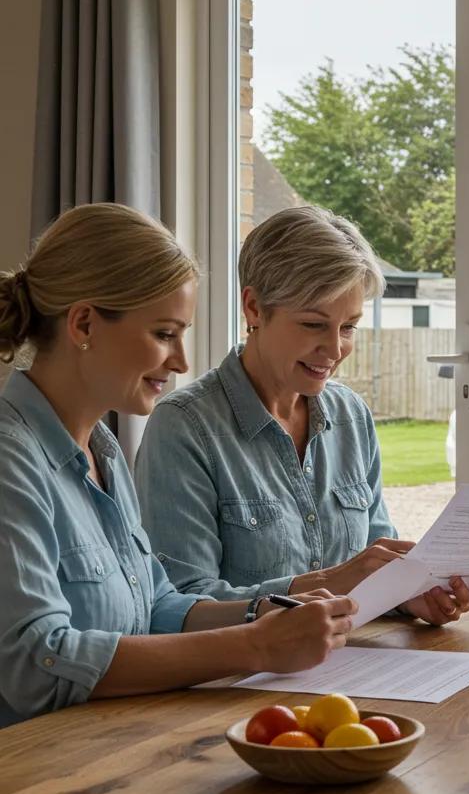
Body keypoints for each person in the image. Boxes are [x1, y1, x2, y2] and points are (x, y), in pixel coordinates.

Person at [0, 203, 356, 727]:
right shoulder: (11, 460)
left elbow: (157, 607)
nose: (182, 361)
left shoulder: (102, 451)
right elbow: (36, 663)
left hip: (115, 745)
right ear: (84, 324)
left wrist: (269, 612)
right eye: (165, 334)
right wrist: (255, 646)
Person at [135, 205, 469, 624]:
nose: (335, 349)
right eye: (314, 325)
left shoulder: (351, 415)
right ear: (254, 308)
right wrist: (329, 582)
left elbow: (376, 565)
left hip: (355, 659)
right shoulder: (184, 427)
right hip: (242, 668)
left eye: (348, 327)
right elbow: (179, 604)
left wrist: (409, 597)